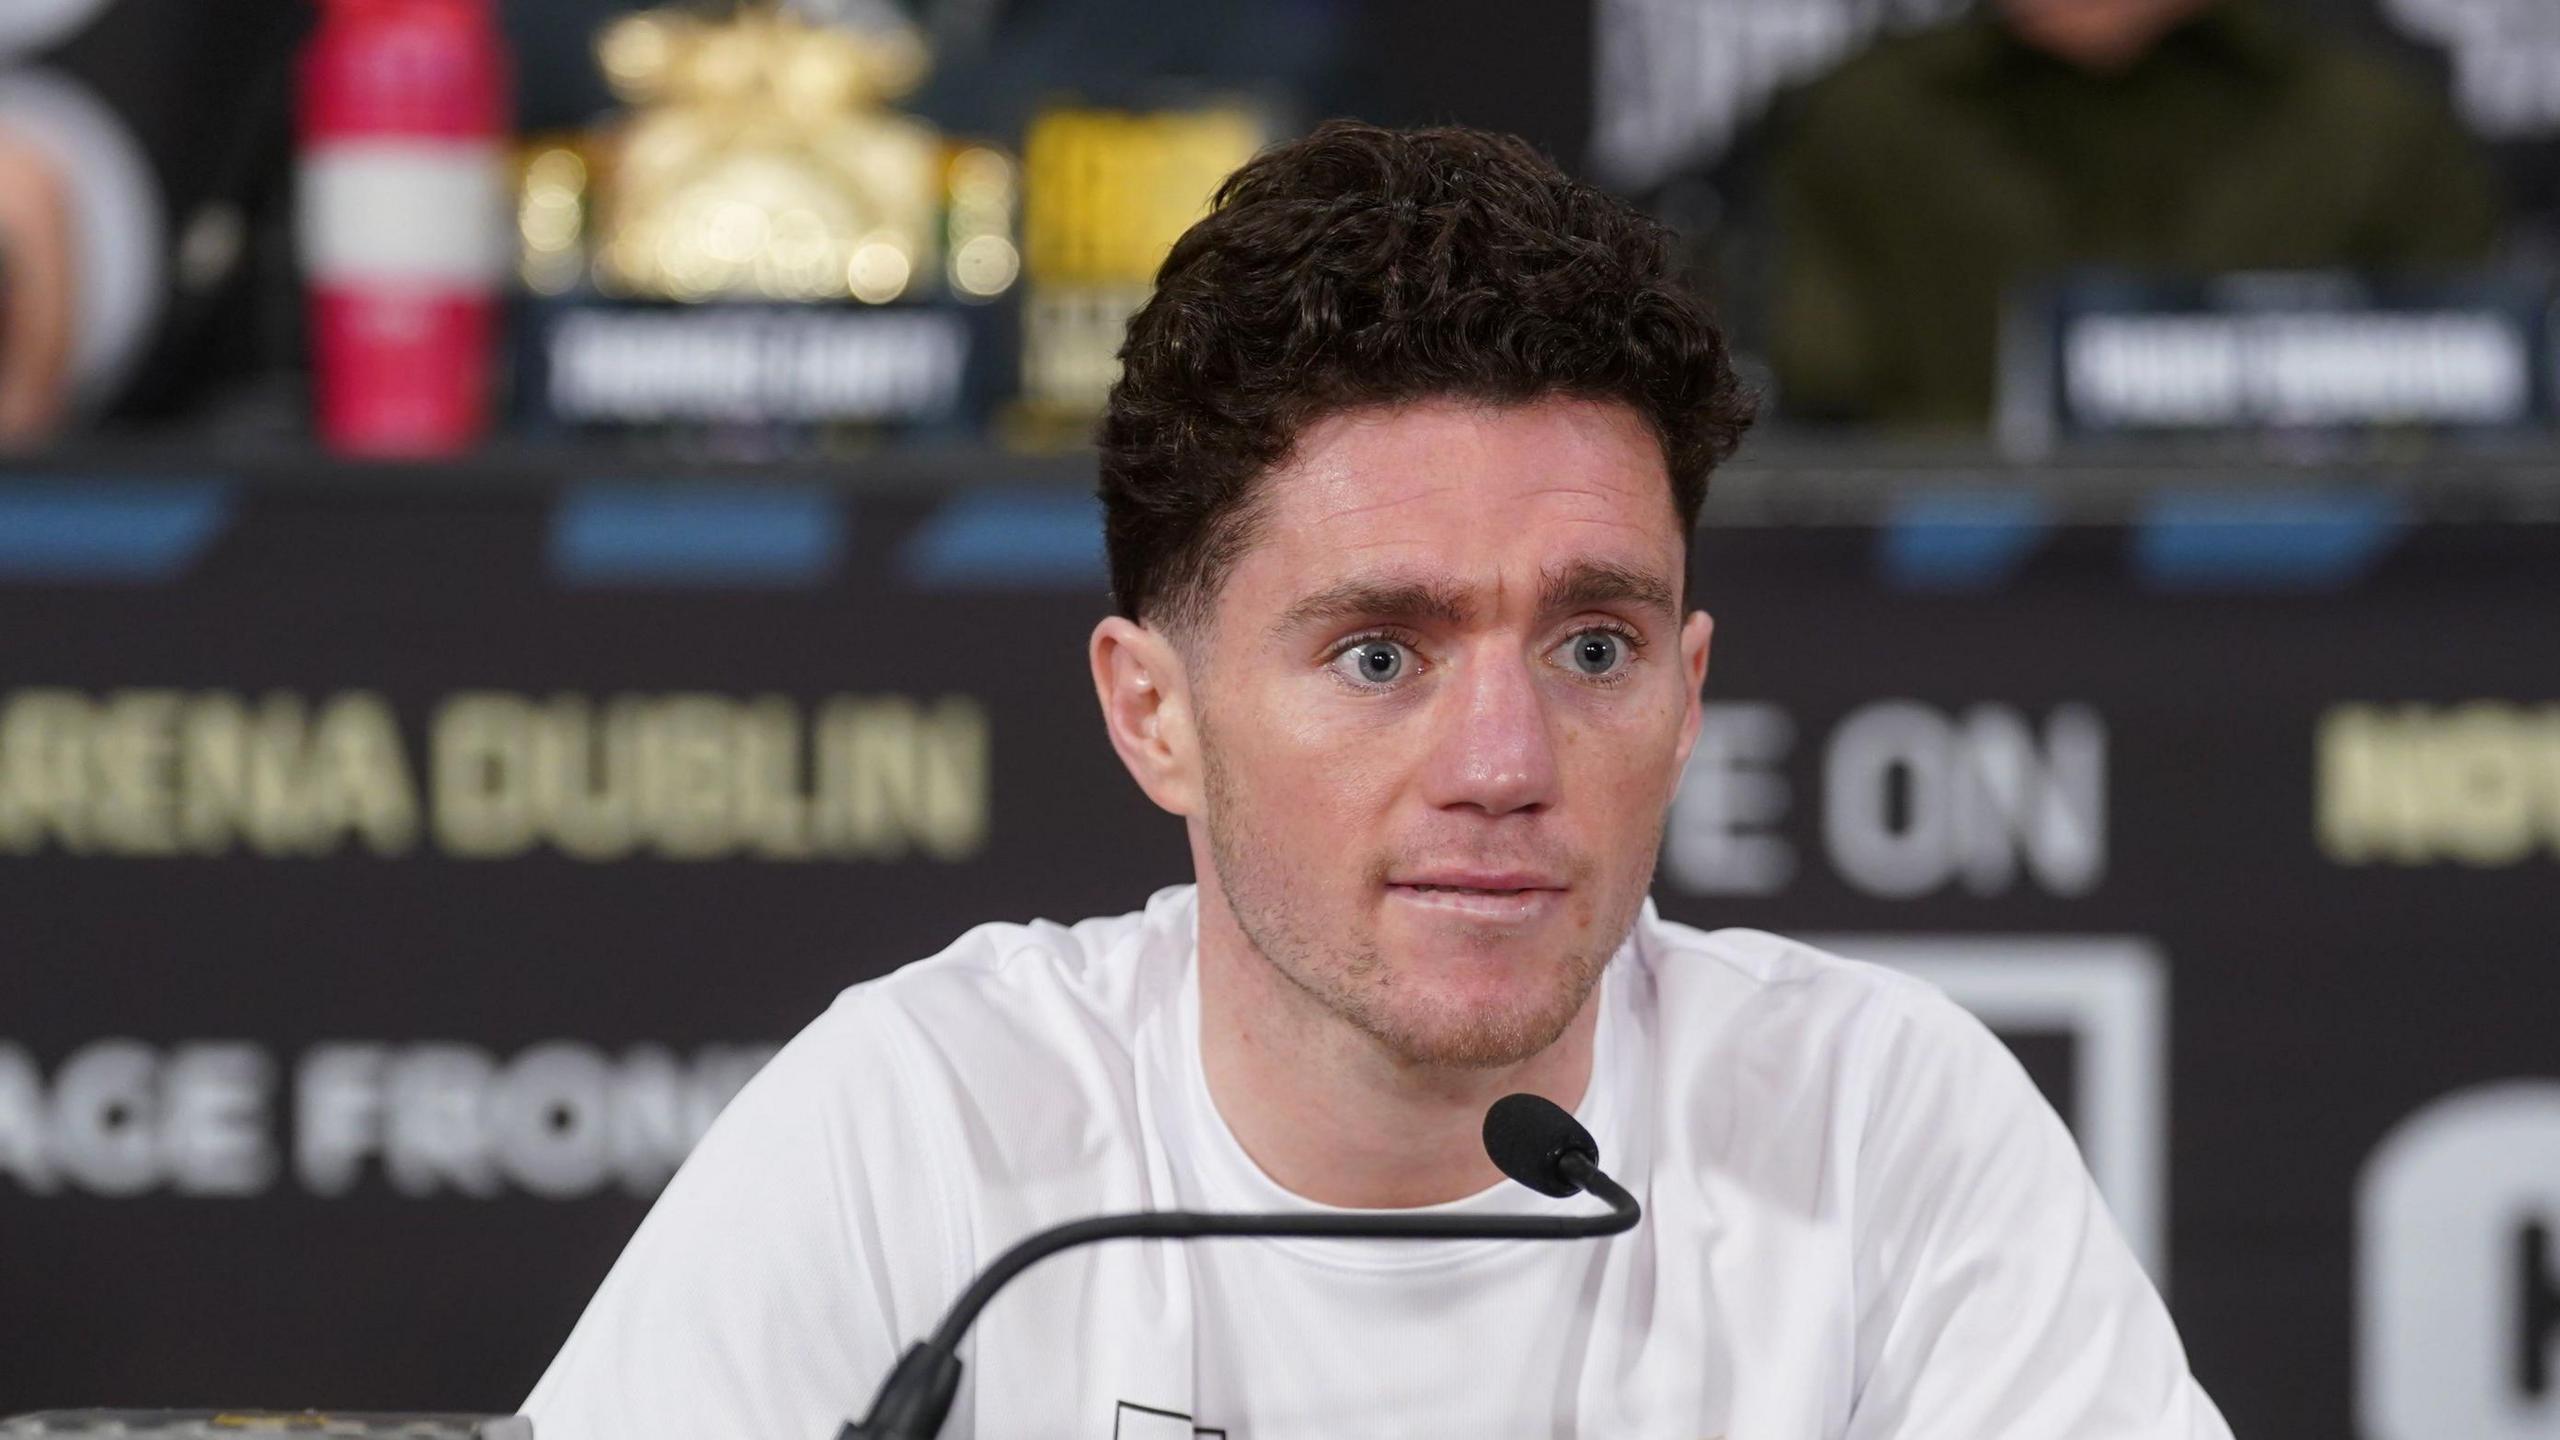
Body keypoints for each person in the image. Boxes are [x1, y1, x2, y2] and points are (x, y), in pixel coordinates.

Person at [523, 121, 2232, 1439]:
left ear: (1690, 692)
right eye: (1378, 657)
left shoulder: (1874, 1121)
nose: (1504, 768)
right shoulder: (928, 1128)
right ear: (1153, 715)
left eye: (1592, 651)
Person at [1770, 0, 2505, 428]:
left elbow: (2483, 430)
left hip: (2335, 635)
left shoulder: (2376, 124)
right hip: (1954, 643)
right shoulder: (1866, 127)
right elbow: (1825, 436)